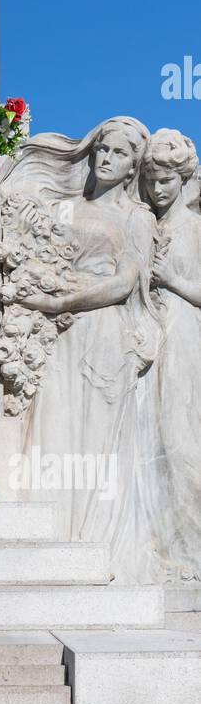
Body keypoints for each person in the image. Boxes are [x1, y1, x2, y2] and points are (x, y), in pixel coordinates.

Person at [3, 117, 158, 559]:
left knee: (96, 443)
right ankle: (48, 542)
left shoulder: (136, 217)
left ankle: (93, 549)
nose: (107, 159)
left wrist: (58, 302)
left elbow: (123, 284)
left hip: (103, 333)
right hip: (56, 337)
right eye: (102, 150)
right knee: (52, 432)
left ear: (133, 168)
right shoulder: (64, 204)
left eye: (120, 154)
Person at [139, 129, 201, 580]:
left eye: (167, 181)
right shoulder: (146, 222)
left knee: (181, 443)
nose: (158, 190)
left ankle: (191, 546)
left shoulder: (194, 227)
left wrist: (173, 281)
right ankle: (161, 543)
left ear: (183, 179)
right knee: (150, 441)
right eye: (151, 180)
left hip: (183, 336)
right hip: (148, 337)